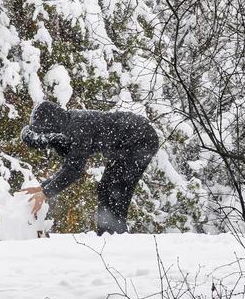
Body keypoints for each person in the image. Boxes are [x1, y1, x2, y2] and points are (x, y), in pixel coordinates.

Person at [18, 100, 160, 235]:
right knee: (106, 189)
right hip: (131, 142)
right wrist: (43, 187)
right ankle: (110, 235)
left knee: (115, 190)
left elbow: (74, 170)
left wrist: (45, 193)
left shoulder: (78, 128)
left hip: (140, 139)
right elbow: (70, 165)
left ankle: (115, 235)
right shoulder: (70, 123)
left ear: (52, 122)